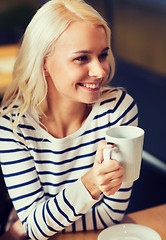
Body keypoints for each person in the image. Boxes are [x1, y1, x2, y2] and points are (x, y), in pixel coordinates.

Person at [0, 0, 138, 239]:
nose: (100, 71)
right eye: (82, 58)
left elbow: (111, 215)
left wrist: (35, 222)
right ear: (43, 63)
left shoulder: (118, 110)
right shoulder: (12, 129)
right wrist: (90, 184)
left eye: (102, 55)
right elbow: (35, 228)